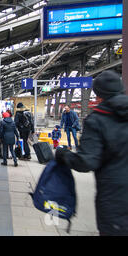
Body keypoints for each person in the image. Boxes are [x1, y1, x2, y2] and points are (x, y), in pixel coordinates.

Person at [55, 70, 128, 236]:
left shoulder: (98, 119)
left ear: (99, 96)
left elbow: (87, 161)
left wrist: (63, 155)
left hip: (115, 195)